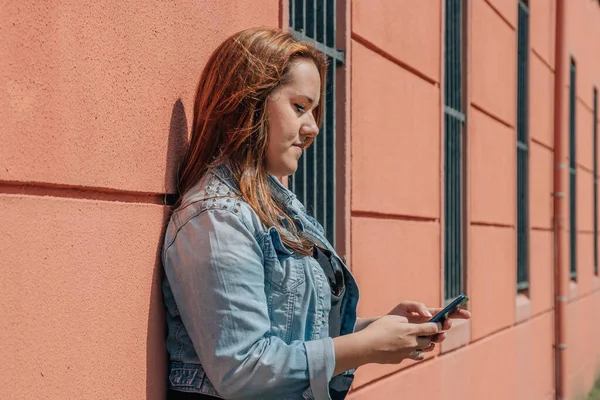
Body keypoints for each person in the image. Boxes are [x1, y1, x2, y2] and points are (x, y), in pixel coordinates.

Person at [161, 27, 471, 400]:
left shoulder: (276, 205)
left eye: (314, 111)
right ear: (249, 102)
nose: (313, 128)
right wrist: (367, 346)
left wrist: (379, 331)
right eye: (299, 107)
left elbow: (293, 330)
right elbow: (244, 370)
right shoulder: (216, 218)